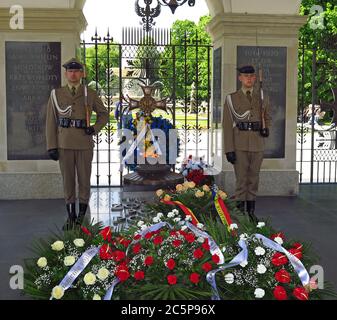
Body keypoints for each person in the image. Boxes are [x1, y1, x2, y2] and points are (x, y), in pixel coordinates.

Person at [46, 58, 109, 229]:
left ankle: (81, 216)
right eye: (70, 71)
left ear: (81, 74)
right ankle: (70, 215)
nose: (73, 74)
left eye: (76, 71)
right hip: (64, 143)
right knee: (68, 181)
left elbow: (104, 114)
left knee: (84, 180)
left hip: (84, 143)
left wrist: (94, 128)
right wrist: (51, 145)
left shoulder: (90, 93)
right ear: (66, 74)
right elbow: (51, 121)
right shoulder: (56, 94)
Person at [222, 65, 272, 222]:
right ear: (240, 78)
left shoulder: (262, 97)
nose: (249, 79)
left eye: (251, 76)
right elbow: (227, 125)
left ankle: (250, 212)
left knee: (254, 178)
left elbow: (267, 116)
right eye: (245, 76)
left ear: (255, 78)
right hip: (239, 144)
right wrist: (229, 149)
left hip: (257, 143)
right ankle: (239, 212)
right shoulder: (231, 98)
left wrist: (266, 128)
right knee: (241, 179)